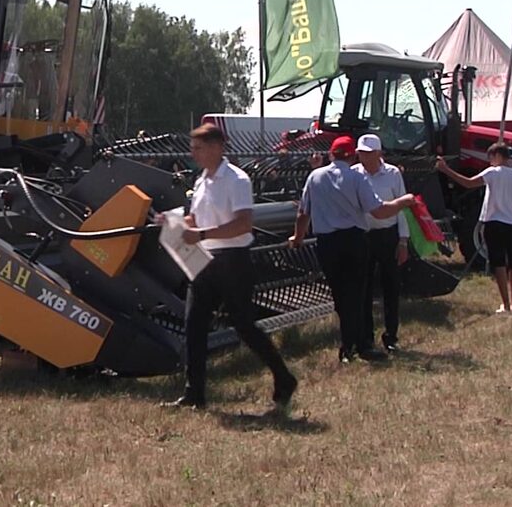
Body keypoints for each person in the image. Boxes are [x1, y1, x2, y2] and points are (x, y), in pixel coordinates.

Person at [162, 123, 297, 411]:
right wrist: (173, 222)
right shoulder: (202, 180)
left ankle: (283, 377)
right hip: (204, 261)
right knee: (194, 325)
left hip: (233, 260)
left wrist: (202, 234)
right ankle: (194, 393)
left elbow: (242, 223)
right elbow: (195, 221)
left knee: (244, 326)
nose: (193, 153)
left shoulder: (236, 180)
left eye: (198, 148)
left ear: (216, 147)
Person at [289, 135, 416, 363]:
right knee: (356, 295)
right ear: (352, 155)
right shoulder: (356, 178)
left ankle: (348, 345)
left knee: (340, 296)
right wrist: (403, 202)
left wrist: (297, 237)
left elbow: (302, 213)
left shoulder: (315, 177)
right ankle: (360, 345)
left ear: (331, 154)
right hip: (354, 240)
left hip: (326, 243)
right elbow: (379, 211)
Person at [436, 142, 512, 313]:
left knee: (499, 264)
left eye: (491, 158)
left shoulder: (492, 173)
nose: (489, 162)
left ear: (497, 156)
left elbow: (468, 183)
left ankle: (506, 305)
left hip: (493, 222)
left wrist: (446, 170)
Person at [352, 134, 409, 354]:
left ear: (378, 154)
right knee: (363, 288)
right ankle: (366, 337)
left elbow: (401, 207)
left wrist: (403, 241)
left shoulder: (393, 174)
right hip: (364, 235)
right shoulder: (355, 174)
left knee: (391, 286)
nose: (363, 157)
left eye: (367, 153)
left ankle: (391, 335)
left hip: (388, 235)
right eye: (361, 153)